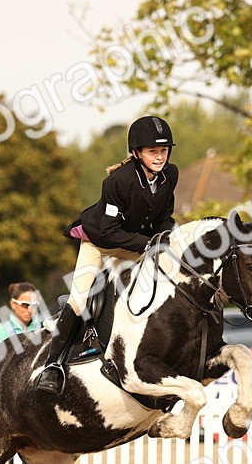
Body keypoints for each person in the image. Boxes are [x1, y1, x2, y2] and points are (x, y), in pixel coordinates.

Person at [34, 115, 179, 394]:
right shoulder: (118, 181)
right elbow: (110, 232)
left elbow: (164, 217)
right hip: (100, 241)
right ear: (136, 153)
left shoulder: (170, 174)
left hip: (134, 242)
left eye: (163, 150)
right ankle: (52, 366)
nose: (160, 157)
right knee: (79, 301)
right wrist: (149, 244)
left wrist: (169, 239)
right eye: (153, 151)